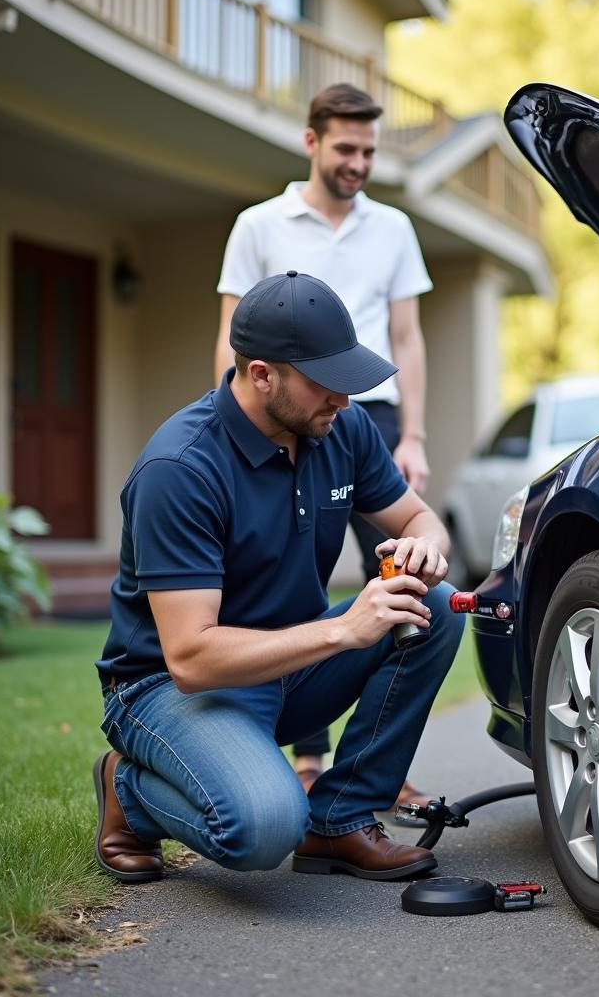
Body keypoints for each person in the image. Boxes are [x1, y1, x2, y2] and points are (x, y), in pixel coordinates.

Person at [93, 271, 463, 883]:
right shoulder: (180, 468)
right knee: (262, 831)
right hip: (168, 689)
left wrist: (425, 549)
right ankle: (126, 788)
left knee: (437, 605)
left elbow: (420, 516)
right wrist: (345, 630)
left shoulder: (338, 427)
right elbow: (190, 658)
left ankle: (339, 820)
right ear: (262, 374)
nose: (343, 400)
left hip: (286, 667)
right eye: (326, 384)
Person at [214, 83, 434, 804]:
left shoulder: (393, 228)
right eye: (346, 148)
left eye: (369, 151)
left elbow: (407, 336)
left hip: (371, 415)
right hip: (282, 414)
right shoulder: (258, 224)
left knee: (410, 577)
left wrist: (415, 437)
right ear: (312, 142)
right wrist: (231, 425)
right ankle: (308, 757)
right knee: (298, 574)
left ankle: (371, 768)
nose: (358, 163)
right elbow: (232, 336)